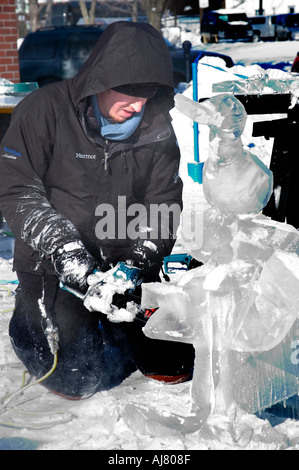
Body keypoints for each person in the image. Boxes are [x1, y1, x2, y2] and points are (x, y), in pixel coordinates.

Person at [0, 21, 195, 399]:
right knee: (78, 378)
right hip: (53, 265)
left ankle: (113, 327)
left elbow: (164, 204)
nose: (137, 105)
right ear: (99, 81)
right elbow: (17, 191)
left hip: (122, 264)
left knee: (175, 364)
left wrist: (137, 263)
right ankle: (33, 321)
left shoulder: (156, 126)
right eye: (128, 93)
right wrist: (70, 255)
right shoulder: (44, 110)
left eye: (147, 94)